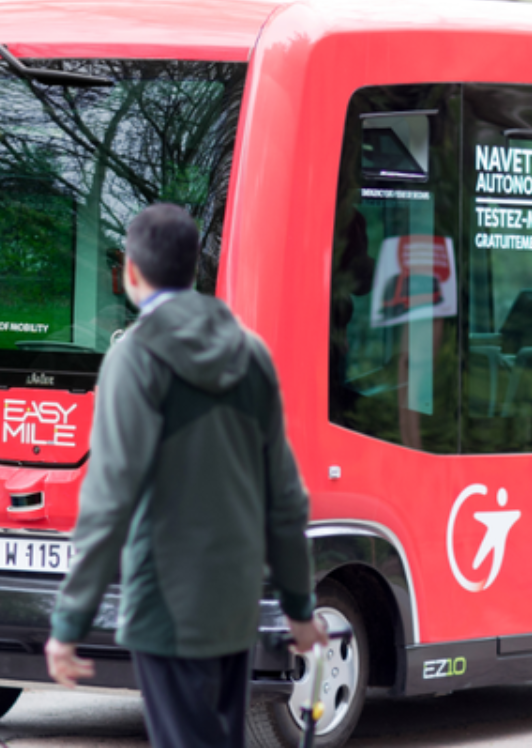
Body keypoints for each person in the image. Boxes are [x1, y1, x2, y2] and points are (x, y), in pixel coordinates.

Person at [44, 203, 328, 747]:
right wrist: (298, 607)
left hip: (164, 604)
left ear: (130, 271)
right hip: (234, 604)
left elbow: (110, 498)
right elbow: (286, 499)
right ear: (196, 268)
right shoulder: (251, 354)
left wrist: (70, 621)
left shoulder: (136, 359)